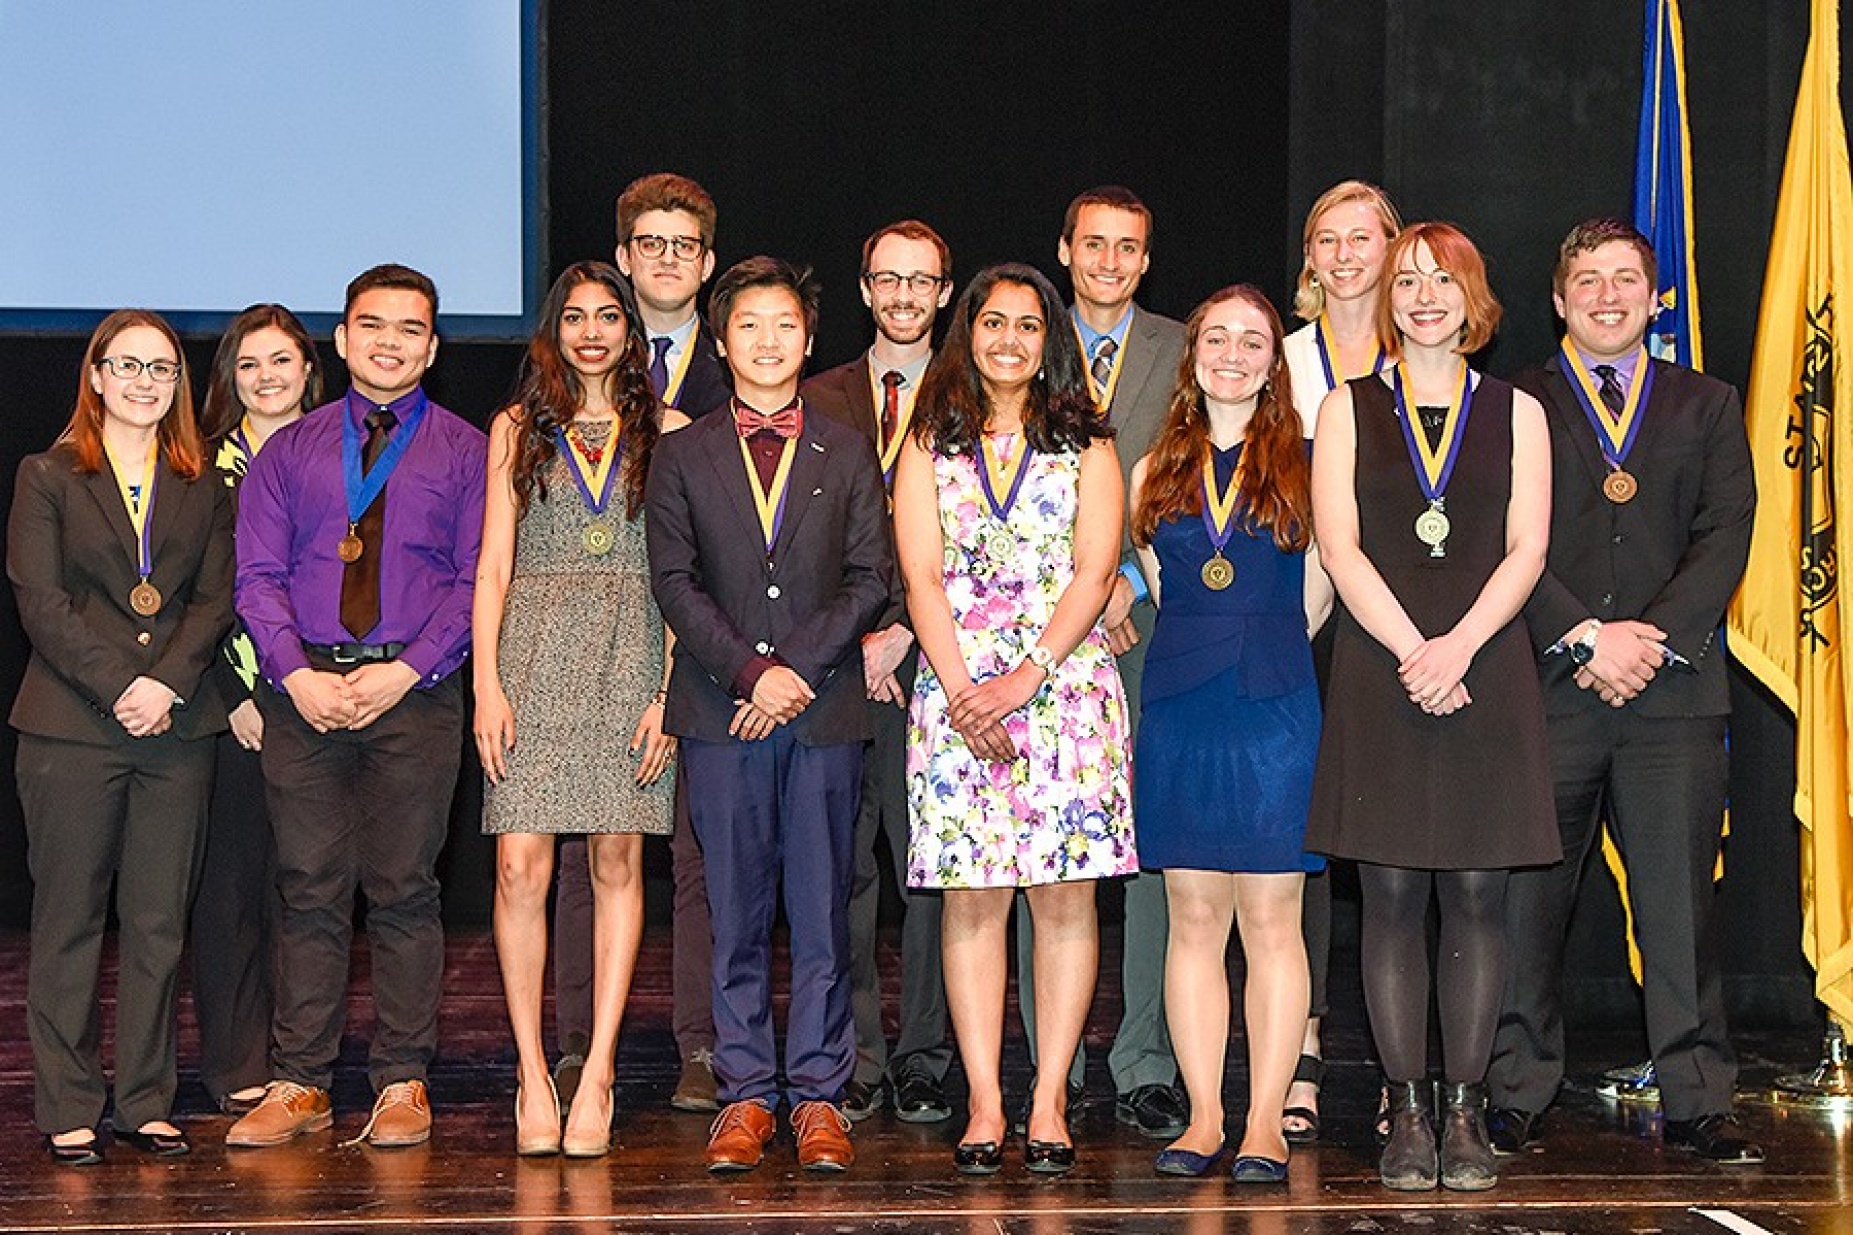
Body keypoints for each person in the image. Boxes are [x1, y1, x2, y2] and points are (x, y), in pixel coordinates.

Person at [1488, 218, 1761, 1163]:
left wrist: (1647, 641)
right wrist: (1582, 635)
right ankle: (1515, 1086)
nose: (1607, 295)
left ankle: (1695, 1096)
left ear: (1654, 298)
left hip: (1671, 695)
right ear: (1557, 300)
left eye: (1625, 279)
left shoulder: (1709, 403)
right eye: (1587, 280)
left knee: (1679, 908)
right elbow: (1501, 537)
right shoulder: (1514, 401)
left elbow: (1726, 532)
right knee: (1528, 905)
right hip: (1550, 688)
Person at [1305, 222, 1557, 1193]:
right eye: (1404, 280)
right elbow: (1340, 546)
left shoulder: (1515, 411)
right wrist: (1415, 648)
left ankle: (1464, 1111)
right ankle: (1403, 1109)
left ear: (1471, 298)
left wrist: (1457, 646)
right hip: (1382, 670)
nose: (1420, 297)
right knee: (1392, 898)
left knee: (1480, 896)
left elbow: (1525, 547)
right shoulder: (1345, 408)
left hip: (1486, 668)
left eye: (1439, 281)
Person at [228, 264, 486, 1150]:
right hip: (303, 693)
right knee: (306, 889)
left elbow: (475, 582)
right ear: (340, 341)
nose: (389, 341)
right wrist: (293, 674)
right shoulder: (286, 452)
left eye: (410, 329)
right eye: (371, 325)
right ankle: (299, 1079)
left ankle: (402, 1080)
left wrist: (407, 670)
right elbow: (256, 578)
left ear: (432, 347)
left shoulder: (467, 450)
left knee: (406, 890)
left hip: (413, 696)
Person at [646, 256, 891, 1175]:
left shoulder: (848, 446)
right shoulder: (681, 451)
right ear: (721, 339)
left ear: (807, 337)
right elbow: (673, 580)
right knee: (735, 912)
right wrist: (751, 671)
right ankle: (746, 1092)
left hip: (822, 711)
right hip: (721, 712)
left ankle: (820, 1096)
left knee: (826, 912)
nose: (767, 342)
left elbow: (871, 576)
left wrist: (793, 669)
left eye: (784, 325)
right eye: (748, 325)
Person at [896, 263, 1135, 1177]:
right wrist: (964, 690)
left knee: (1065, 901)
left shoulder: (1088, 439)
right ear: (968, 333)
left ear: (1050, 341)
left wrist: (1025, 677)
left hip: (1062, 694)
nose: (1008, 340)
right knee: (973, 901)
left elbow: (1093, 571)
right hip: (957, 698)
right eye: (991, 323)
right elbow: (919, 575)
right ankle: (987, 1100)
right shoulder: (929, 438)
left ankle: (1046, 1098)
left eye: (1027, 326)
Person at [10, 310, 234, 1164]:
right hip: (73, 729)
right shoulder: (48, 475)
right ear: (96, 375)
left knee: (156, 924)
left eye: (164, 369)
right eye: (129, 365)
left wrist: (168, 683)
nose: (146, 382)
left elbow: (214, 602)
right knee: (68, 921)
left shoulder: (204, 482)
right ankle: (69, 1103)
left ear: (179, 384)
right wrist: (124, 685)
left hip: (175, 730)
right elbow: (42, 603)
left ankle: (144, 1100)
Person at [473, 263, 684, 1157]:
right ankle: (532, 1070)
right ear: (552, 329)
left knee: (616, 860)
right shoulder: (516, 425)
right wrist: (487, 681)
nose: (591, 330)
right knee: (520, 865)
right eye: (574, 316)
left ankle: (596, 1070)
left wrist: (668, 690)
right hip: (531, 647)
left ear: (630, 329)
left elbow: (684, 572)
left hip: (632, 644)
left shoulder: (670, 429)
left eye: (608, 315)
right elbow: (491, 565)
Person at [1129, 286, 1333, 1183]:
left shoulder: (1310, 459)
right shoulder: (1151, 469)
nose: (1234, 354)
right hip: (1181, 701)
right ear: (1194, 353)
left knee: (1271, 918)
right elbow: (1159, 583)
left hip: (1274, 699)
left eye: (1253, 340)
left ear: (1272, 360)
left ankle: (1263, 1121)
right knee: (1193, 916)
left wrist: (1267, 646)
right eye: (1217, 337)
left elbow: (1323, 585)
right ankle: (1204, 1113)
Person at [1017, 185, 1186, 1139]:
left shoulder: (1181, 346)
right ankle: (1058, 1061)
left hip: (1152, 623)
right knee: (1048, 849)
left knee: (1150, 849)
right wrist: (1079, 588)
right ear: (1065, 247)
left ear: (1146, 259)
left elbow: (1192, 465)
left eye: (1128, 248)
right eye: (1094, 245)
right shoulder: (1021, 337)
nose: (1110, 262)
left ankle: (1144, 1060)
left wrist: (1129, 577)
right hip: (1041, 632)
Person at [801, 220, 956, 1125]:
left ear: (944, 292)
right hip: (833, 671)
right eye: (886, 279)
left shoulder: (979, 390)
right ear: (863, 290)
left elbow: (984, 537)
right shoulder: (813, 396)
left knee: (928, 872)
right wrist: (850, 640)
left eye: (921, 280)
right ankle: (855, 1053)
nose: (903, 294)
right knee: (840, 874)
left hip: (934, 669)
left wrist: (903, 632)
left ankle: (927, 1053)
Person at [1278, 180, 1403, 1143]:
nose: (1347, 252)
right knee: (1311, 843)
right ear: (1310, 259)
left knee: (1407, 846)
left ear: (1394, 248)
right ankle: (1303, 1048)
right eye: (1329, 238)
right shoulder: (1275, 361)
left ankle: (1416, 1061)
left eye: (1363, 236)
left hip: (1410, 625)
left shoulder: (1428, 353)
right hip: (1307, 624)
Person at [605, 171, 731, 1115]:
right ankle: (578, 1044)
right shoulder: (576, 357)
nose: (665, 259)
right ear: (622, 257)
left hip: (706, 638)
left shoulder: (743, 369)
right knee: (586, 853)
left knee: (700, 857)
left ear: (708, 263)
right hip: (590, 642)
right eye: (649, 244)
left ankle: (701, 1044)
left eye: (683, 246)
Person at [191, 304, 325, 1118]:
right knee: (232, 892)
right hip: (239, 707)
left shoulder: (351, 453)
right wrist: (234, 695)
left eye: (281, 361)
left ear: (310, 368)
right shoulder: (199, 469)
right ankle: (237, 1060)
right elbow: (192, 600)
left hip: (330, 701)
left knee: (309, 887)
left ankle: (298, 1059)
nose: (267, 377)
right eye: (248, 364)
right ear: (228, 379)